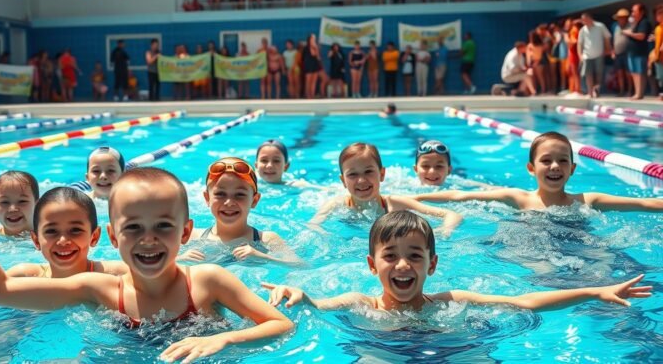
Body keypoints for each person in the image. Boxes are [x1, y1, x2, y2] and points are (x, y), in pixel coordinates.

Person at [0, 151, 294, 362]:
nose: (147, 239)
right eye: (133, 228)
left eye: (163, 226)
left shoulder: (209, 281)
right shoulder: (97, 289)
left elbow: (281, 325)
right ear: (114, 236)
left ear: (185, 232)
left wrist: (224, 340)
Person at [264, 211, 652, 314]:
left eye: (414, 256)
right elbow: (317, 304)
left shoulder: (447, 300)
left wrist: (595, 291)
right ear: (371, 264)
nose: (402, 266)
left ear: (431, 265)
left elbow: (523, 302)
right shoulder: (359, 303)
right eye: (391, 257)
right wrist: (297, 292)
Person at [0, 187, 128, 324]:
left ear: (94, 236)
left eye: (75, 230)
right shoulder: (28, 273)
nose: (63, 240)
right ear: (36, 240)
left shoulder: (111, 273)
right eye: (51, 232)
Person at [415, 132, 663, 211]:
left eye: (562, 161)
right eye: (546, 161)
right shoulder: (518, 198)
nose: (555, 166)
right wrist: (409, 199)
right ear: (531, 169)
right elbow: (457, 196)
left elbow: (643, 203)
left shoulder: (588, 201)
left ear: (573, 169)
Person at [308, 143, 463, 236]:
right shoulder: (336, 205)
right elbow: (313, 225)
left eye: (368, 172)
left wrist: (443, 232)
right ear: (343, 181)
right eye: (353, 174)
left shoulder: (395, 203)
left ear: (381, 174)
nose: (361, 180)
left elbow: (452, 214)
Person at [178, 157, 300, 265]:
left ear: (254, 200)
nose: (229, 202)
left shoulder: (267, 240)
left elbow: (300, 266)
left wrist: (265, 257)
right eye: (220, 194)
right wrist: (178, 260)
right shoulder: (190, 236)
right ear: (207, 198)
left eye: (239, 195)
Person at [0, 170, 39, 237]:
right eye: (5, 202)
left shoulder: (45, 237)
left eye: (22, 201)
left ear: (38, 207)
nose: (12, 209)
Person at [578, 13, 611, 98]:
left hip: (599, 54)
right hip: (587, 55)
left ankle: (597, 89)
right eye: (582, 20)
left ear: (590, 18)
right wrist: (580, 55)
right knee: (588, 74)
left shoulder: (600, 26)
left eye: (585, 20)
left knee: (599, 73)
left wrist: (608, 49)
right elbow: (579, 44)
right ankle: (590, 93)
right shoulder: (583, 30)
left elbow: (606, 37)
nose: (583, 22)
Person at [623, 3, 652, 99]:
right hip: (632, 52)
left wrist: (629, 33)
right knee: (634, 73)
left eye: (634, 11)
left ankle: (639, 93)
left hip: (640, 52)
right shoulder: (636, 23)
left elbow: (641, 36)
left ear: (642, 12)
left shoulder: (644, 22)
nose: (632, 13)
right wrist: (632, 24)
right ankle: (637, 93)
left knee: (640, 73)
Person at [611, 9, 631, 96]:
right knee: (619, 73)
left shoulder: (631, 26)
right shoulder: (615, 27)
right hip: (618, 53)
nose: (620, 20)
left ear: (626, 18)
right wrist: (613, 51)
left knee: (628, 73)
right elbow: (613, 40)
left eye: (622, 18)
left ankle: (630, 90)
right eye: (619, 18)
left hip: (627, 53)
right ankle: (621, 90)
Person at [302, 34, 323, 99]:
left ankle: (312, 95)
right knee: (308, 81)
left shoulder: (316, 47)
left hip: (315, 65)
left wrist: (316, 48)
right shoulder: (306, 48)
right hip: (308, 66)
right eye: (312, 38)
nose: (314, 40)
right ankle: (307, 95)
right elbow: (303, 58)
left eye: (314, 38)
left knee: (314, 82)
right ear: (309, 39)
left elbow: (318, 58)